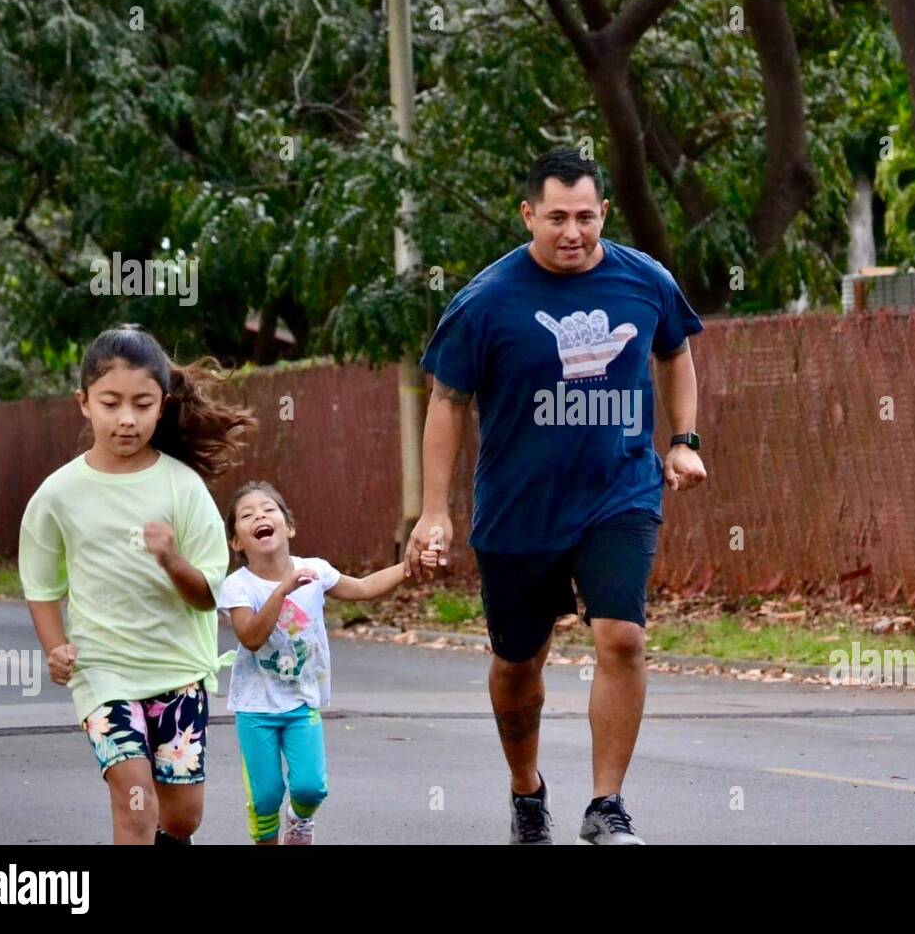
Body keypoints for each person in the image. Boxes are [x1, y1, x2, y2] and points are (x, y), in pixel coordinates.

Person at [405, 148, 707, 844]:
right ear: (528, 216)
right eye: (556, 218)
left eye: (585, 217)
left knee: (622, 639)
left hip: (618, 493)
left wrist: (685, 439)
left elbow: (675, 352)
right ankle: (526, 790)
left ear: (603, 212)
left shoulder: (645, 281)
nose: (572, 232)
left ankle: (607, 806)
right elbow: (447, 401)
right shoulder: (486, 300)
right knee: (518, 664)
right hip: (519, 509)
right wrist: (434, 510)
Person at [18, 323, 255, 844]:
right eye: (110, 403)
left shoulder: (183, 487)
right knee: (136, 805)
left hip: (177, 670)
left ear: (162, 405)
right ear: (84, 402)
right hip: (102, 673)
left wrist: (172, 560)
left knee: (181, 818)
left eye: (142, 404)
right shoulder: (58, 495)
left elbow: (209, 594)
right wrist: (55, 647)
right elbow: (40, 583)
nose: (126, 419)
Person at [217, 481, 438, 844]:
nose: (259, 515)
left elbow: (364, 589)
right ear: (237, 542)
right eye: (247, 514)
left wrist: (409, 566)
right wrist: (282, 591)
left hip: (303, 700)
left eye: (269, 509)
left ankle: (300, 821)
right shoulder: (238, 586)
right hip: (255, 706)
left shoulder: (315, 571)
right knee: (266, 796)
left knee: (310, 789)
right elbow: (251, 638)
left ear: (288, 527)